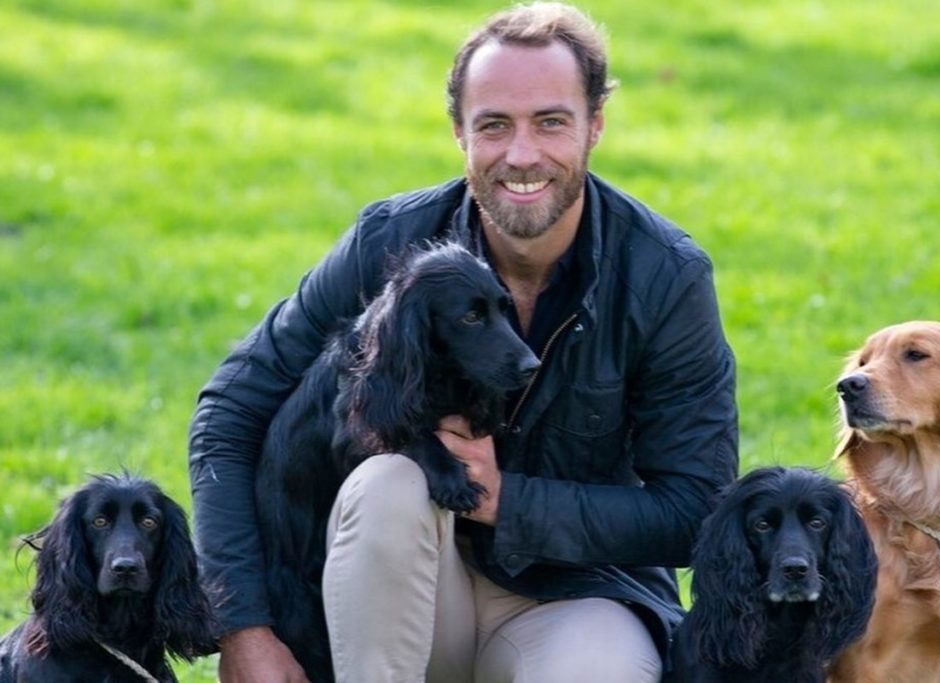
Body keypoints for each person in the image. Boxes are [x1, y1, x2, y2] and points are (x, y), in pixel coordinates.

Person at [188, 3, 738, 682]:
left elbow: (700, 510)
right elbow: (227, 415)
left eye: (551, 121)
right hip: (399, 598)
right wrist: (243, 626)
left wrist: (507, 498)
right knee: (390, 483)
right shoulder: (386, 242)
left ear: (596, 124)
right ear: (459, 132)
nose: (522, 154)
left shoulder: (665, 277)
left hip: (579, 595)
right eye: (494, 125)